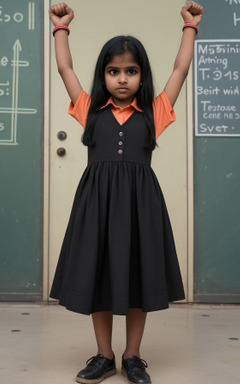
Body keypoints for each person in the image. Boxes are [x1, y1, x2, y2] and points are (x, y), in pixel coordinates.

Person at [49, 2, 203, 383]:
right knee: (97, 275)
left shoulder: (154, 112)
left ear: (141, 76)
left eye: (131, 71)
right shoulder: (89, 110)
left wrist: (190, 27)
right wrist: (61, 29)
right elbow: (65, 68)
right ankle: (104, 355)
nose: (122, 78)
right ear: (104, 75)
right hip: (95, 207)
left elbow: (180, 69)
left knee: (138, 274)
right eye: (114, 71)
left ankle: (133, 356)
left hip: (140, 208)